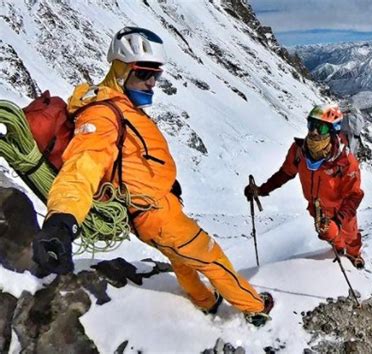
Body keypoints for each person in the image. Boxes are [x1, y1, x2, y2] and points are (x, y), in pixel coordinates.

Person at [32, 26, 273, 327]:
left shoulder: (122, 106)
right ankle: (255, 308)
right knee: (210, 255)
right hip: (155, 214)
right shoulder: (103, 115)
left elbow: (134, 157)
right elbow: (83, 167)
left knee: (181, 258)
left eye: (155, 75)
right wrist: (61, 221)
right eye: (144, 73)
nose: (151, 83)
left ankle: (206, 301)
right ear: (121, 70)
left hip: (158, 205)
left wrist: (164, 181)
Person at [245, 105, 365, 269]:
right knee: (328, 234)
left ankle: (354, 253)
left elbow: (354, 195)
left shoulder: (345, 161)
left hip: (341, 209)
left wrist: (338, 220)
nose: (314, 132)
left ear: (332, 131)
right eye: (312, 125)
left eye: (321, 127)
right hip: (316, 207)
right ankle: (337, 248)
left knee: (349, 233)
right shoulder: (299, 151)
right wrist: (262, 190)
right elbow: (285, 173)